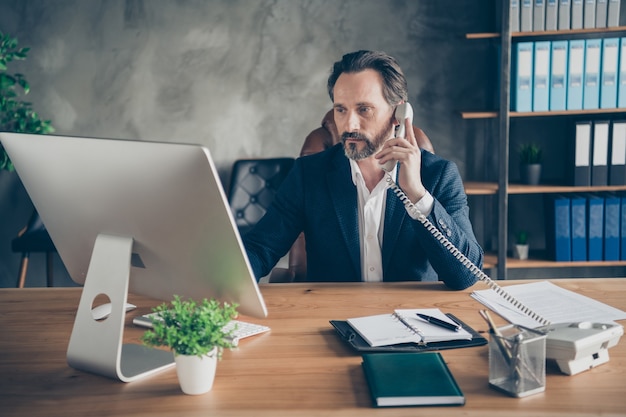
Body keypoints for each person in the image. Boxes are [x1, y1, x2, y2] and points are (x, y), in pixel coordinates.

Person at [243, 50, 483, 290]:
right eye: (341, 109)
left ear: (398, 114)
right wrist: (221, 285)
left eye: (364, 109)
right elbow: (260, 249)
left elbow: (466, 275)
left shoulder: (439, 176)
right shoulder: (308, 174)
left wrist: (418, 196)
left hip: (411, 319)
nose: (349, 125)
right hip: (332, 319)